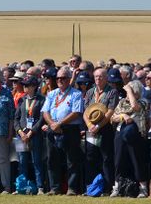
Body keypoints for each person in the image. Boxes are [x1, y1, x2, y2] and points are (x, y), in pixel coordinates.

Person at [41, 66, 84, 196]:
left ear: (69, 79)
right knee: (52, 159)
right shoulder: (52, 93)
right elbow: (45, 111)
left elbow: (76, 112)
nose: (60, 80)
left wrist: (59, 123)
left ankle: (72, 188)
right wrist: (53, 124)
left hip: (70, 129)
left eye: (63, 78)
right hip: (53, 128)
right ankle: (55, 188)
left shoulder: (76, 94)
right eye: (58, 78)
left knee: (71, 160)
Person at [110, 80, 149, 198]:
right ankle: (118, 187)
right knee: (118, 161)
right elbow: (113, 118)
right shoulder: (122, 102)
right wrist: (123, 115)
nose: (127, 94)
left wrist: (129, 91)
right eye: (127, 92)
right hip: (120, 134)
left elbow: (135, 107)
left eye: (130, 92)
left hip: (136, 135)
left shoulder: (143, 101)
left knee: (137, 161)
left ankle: (143, 188)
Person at [83, 68, 119, 194]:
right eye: (96, 76)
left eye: (101, 76)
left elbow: (110, 112)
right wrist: (89, 125)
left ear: (106, 78)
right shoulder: (89, 92)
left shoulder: (112, 92)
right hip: (91, 130)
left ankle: (107, 188)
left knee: (106, 159)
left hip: (105, 130)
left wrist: (98, 126)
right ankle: (90, 187)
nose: (98, 79)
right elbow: (85, 112)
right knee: (90, 158)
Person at [14, 76, 46, 195]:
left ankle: (40, 187)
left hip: (35, 135)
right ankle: (22, 186)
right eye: (24, 85)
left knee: (36, 161)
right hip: (21, 136)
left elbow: (42, 118)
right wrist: (20, 132)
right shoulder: (21, 100)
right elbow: (16, 118)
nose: (24, 87)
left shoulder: (41, 99)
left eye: (27, 85)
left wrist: (31, 132)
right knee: (22, 161)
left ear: (33, 86)